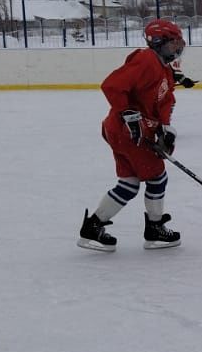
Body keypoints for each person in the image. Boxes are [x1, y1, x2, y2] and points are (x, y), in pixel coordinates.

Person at [77, 18, 186, 252]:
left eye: (178, 43)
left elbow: (166, 100)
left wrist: (165, 129)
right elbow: (112, 85)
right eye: (173, 43)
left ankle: (92, 228)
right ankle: (155, 229)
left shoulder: (164, 69)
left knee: (129, 183)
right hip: (127, 132)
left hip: (122, 131)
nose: (177, 48)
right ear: (158, 43)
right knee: (157, 178)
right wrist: (128, 114)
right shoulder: (146, 60)